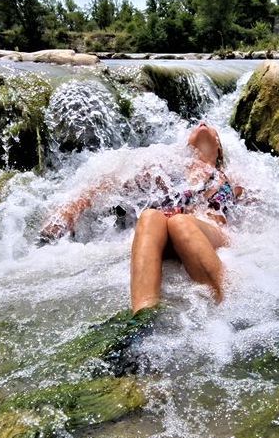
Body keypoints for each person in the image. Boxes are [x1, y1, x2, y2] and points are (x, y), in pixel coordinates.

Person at [40, 122, 244, 312]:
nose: (202, 124)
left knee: (180, 222)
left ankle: (227, 304)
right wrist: (67, 213)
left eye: (210, 127)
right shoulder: (169, 170)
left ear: (219, 147)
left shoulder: (231, 176)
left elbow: (255, 203)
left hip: (209, 232)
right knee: (149, 217)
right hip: (162, 234)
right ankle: (143, 315)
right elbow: (109, 183)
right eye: (194, 126)